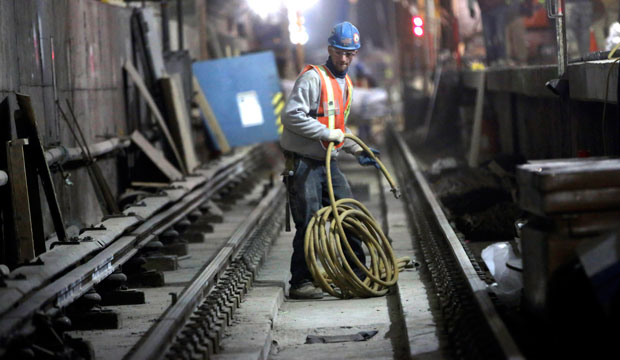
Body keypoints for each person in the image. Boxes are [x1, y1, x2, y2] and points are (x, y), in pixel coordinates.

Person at [280, 21, 380, 299]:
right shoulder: (314, 78)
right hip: (304, 162)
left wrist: (358, 151)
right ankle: (301, 282)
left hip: (327, 162)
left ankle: (358, 274)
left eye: (350, 54)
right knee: (310, 223)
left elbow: (338, 128)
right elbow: (291, 116)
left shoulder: (345, 83)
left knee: (350, 215)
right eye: (340, 53)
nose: (345, 59)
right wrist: (327, 133)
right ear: (330, 49)